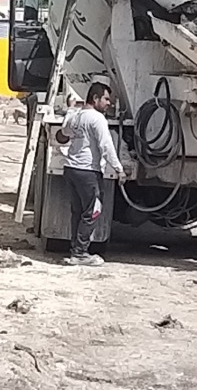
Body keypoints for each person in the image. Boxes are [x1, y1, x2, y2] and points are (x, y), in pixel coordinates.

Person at [55, 82, 124, 267]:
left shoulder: (75, 117)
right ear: (95, 98)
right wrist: (118, 168)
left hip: (71, 169)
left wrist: (69, 110)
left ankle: (75, 249)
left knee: (78, 211)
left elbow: (64, 133)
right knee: (93, 211)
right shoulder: (97, 119)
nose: (109, 103)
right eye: (106, 99)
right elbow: (106, 145)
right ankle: (80, 253)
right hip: (88, 172)